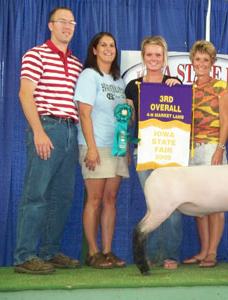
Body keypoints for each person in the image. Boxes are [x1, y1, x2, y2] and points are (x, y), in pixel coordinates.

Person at [14, 7, 83, 274]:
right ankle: (24, 256)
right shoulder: (36, 54)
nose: (67, 26)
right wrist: (39, 132)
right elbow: (25, 94)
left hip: (69, 130)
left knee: (62, 196)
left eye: (71, 22)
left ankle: (50, 252)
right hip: (47, 126)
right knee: (36, 194)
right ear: (50, 26)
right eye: (62, 21)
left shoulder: (76, 63)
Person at [125, 36, 182, 270]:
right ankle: (146, 255)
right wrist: (125, 115)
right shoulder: (132, 86)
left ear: (164, 57)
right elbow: (131, 122)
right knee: (153, 206)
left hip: (170, 152)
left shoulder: (175, 82)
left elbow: (184, 117)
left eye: (158, 54)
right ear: (143, 57)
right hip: (144, 151)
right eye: (149, 54)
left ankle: (170, 254)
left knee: (174, 205)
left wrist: (178, 90)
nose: (154, 59)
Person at [75, 32, 129, 269]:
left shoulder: (119, 82)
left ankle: (107, 251)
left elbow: (123, 119)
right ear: (94, 50)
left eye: (112, 45)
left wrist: (124, 145)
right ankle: (93, 252)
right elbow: (84, 113)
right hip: (95, 145)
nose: (109, 49)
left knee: (110, 200)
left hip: (116, 147)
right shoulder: (89, 75)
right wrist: (91, 149)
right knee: (95, 199)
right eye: (103, 45)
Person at [182, 40, 228, 268]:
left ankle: (212, 252)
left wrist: (220, 149)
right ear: (192, 61)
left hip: (212, 148)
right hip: (191, 151)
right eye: (197, 59)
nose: (201, 63)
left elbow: (225, 121)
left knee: (216, 204)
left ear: (211, 63)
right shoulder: (186, 89)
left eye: (205, 60)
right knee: (199, 206)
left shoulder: (221, 87)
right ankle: (202, 251)